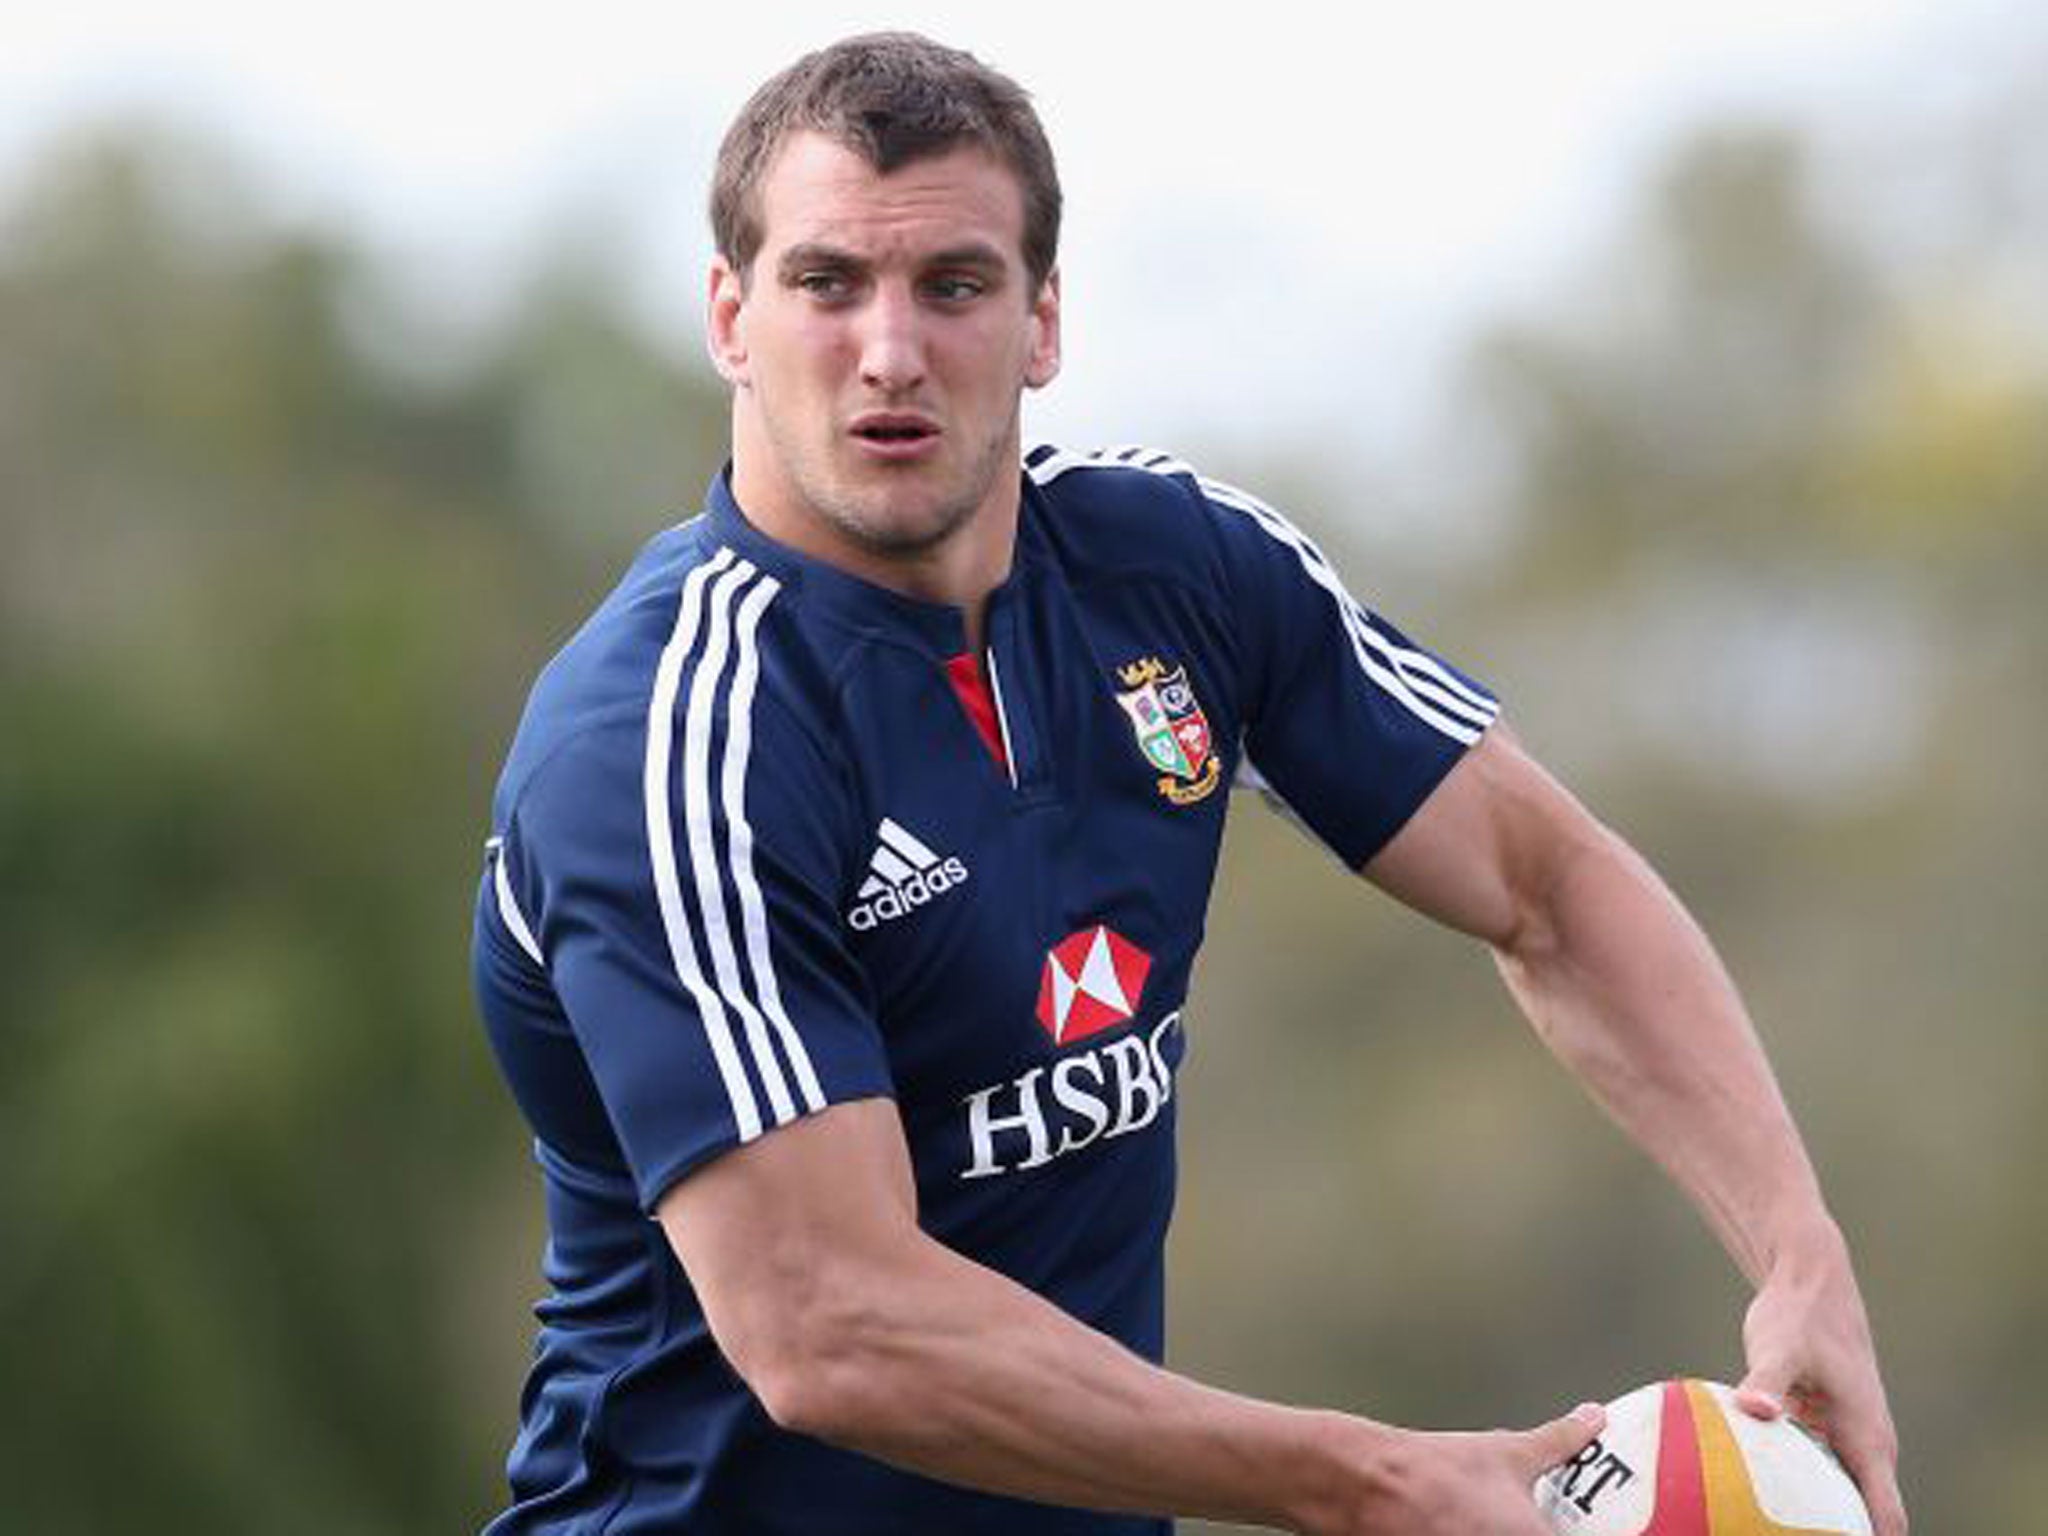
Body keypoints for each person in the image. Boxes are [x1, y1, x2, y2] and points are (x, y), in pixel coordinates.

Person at [471, 31, 1906, 1536]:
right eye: (828, 283)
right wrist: (1369, 1482)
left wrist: (1802, 1256)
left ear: (1042, 322)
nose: (889, 350)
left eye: (954, 285)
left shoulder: (1176, 572)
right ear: (731, 319)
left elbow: (1550, 889)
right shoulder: (662, 740)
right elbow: (830, 1325)